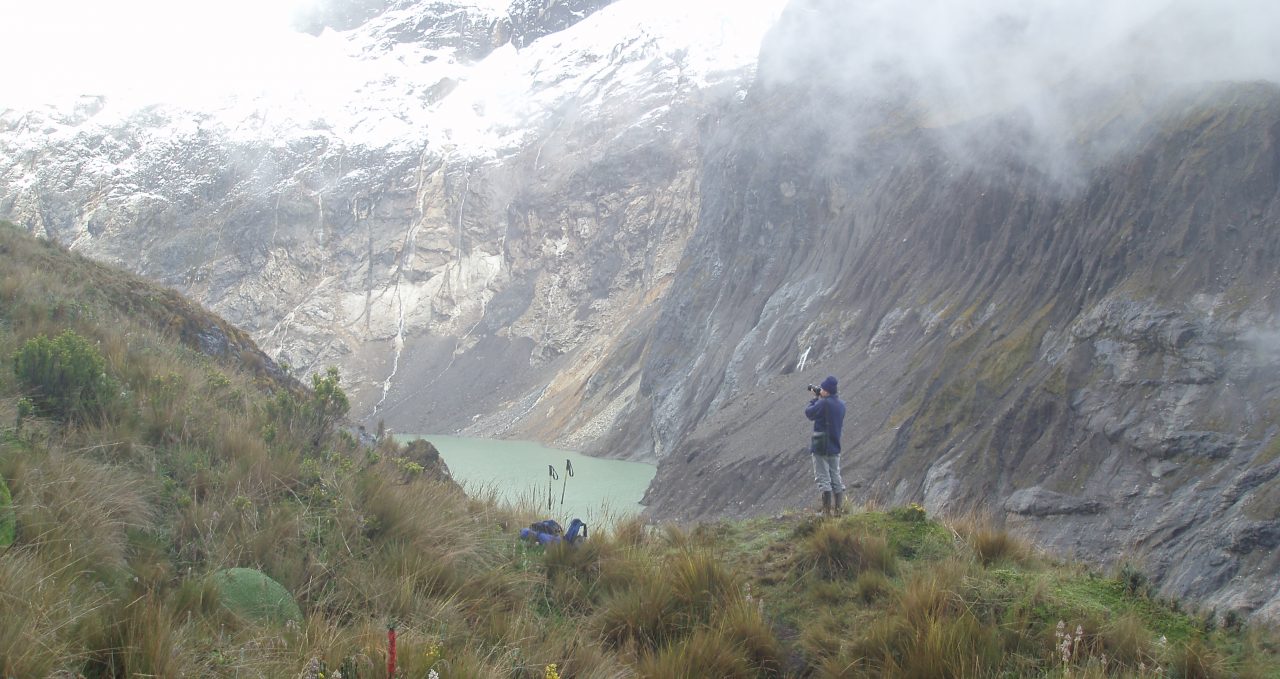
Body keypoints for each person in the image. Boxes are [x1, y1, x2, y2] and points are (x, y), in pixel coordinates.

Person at [805, 375, 846, 516]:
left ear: (827, 391)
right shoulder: (841, 405)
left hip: (821, 444)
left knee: (823, 477)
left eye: (822, 388)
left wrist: (815, 399)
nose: (820, 390)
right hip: (835, 444)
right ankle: (838, 511)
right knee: (836, 476)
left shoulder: (823, 403)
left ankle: (827, 512)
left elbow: (809, 413)